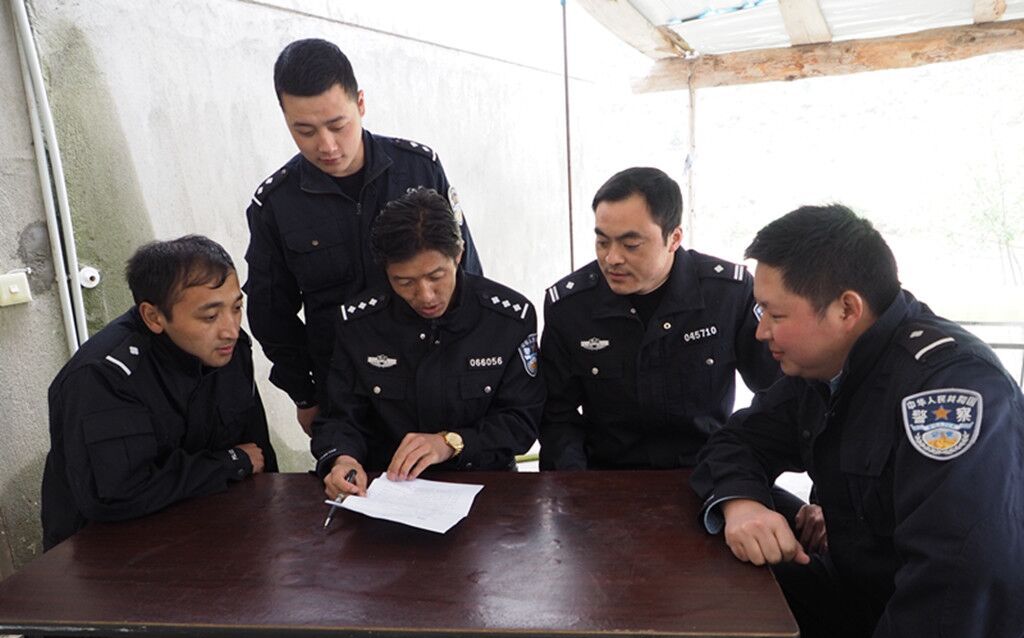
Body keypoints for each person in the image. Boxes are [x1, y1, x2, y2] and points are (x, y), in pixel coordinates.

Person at [691, 204, 1024, 638]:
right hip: (880, 609)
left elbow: (967, 572)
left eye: (775, 313)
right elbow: (736, 442)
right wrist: (744, 506)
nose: (760, 330)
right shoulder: (827, 369)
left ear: (847, 308)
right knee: (724, 583)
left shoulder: (948, 390)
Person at [17, 235, 278, 638]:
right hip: (103, 570)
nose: (230, 328)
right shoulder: (103, 375)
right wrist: (226, 464)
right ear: (154, 316)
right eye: (209, 315)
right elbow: (119, 493)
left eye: (236, 306)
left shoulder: (230, 349)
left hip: (205, 553)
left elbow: (256, 453)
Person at [245, 38, 482, 437]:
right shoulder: (276, 205)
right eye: (304, 131)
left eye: (337, 125)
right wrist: (305, 395)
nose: (327, 146)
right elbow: (271, 316)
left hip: (435, 381)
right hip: (347, 400)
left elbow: (466, 274)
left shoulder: (419, 170)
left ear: (360, 103)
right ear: (284, 117)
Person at [538, 167, 783, 471]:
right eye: (602, 242)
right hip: (608, 476)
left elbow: (777, 391)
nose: (612, 258)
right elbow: (557, 417)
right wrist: (576, 484)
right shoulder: (570, 306)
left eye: (631, 245)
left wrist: (740, 460)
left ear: (674, 238)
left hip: (709, 470)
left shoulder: (727, 294)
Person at [312, 188, 543, 497]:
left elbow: (522, 421)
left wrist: (451, 443)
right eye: (404, 282)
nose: (425, 296)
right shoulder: (359, 324)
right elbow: (340, 417)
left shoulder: (508, 319)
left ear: (458, 255)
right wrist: (343, 460)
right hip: (387, 489)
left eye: (436, 276)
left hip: (486, 485)